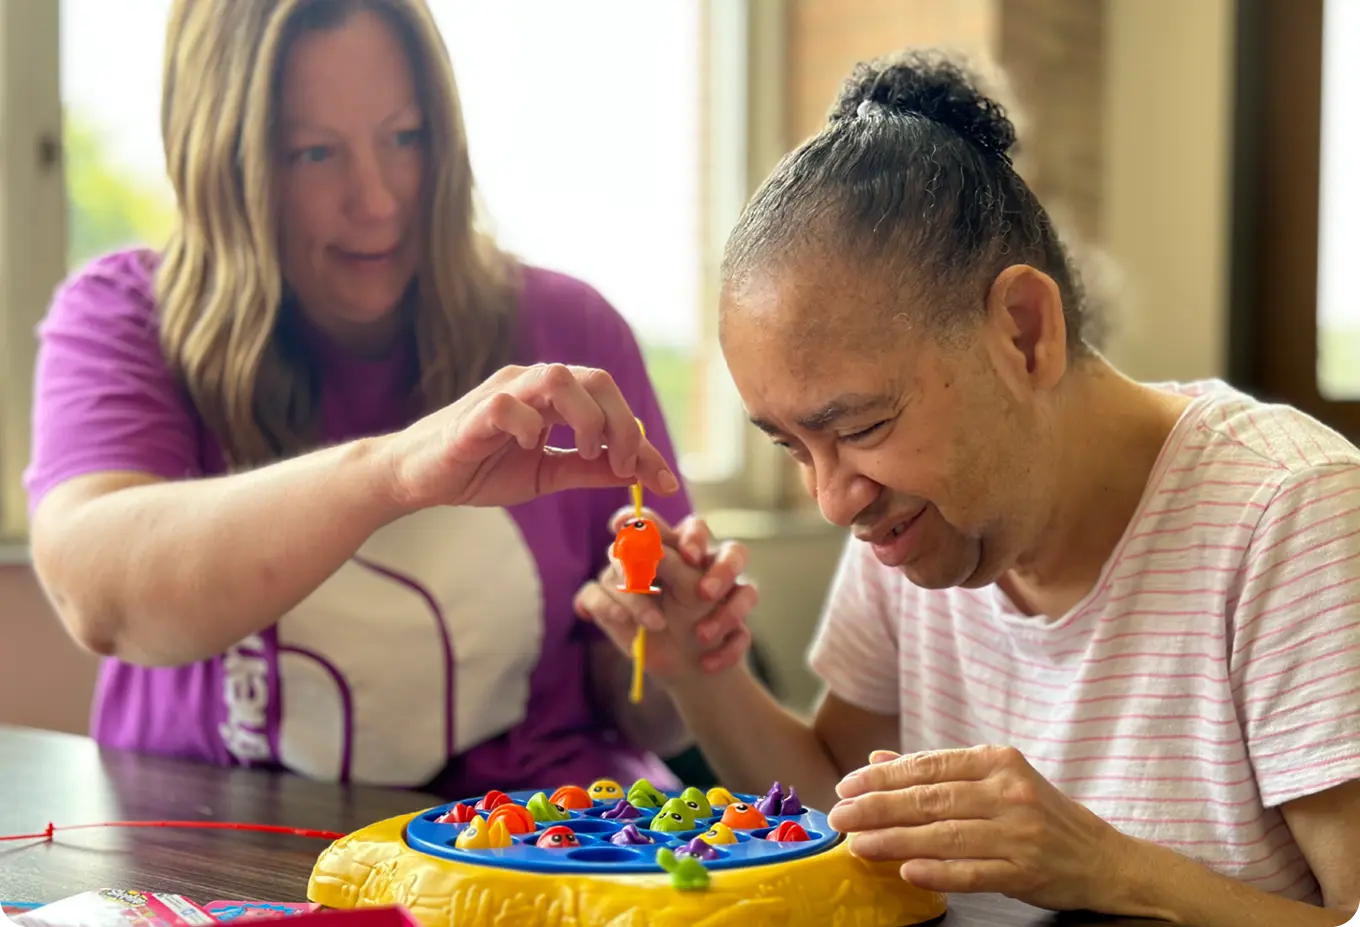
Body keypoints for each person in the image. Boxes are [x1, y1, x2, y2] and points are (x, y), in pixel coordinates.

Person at [576, 50, 1360, 926]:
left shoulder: (1290, 516)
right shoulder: (916, 526)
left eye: (862, 427)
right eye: (794, 445)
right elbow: (840, 801)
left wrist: (1106, 868)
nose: (837, 499)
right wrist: (698, 671)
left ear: (1024, 333)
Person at [23, 0, 754, 798]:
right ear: (221, 168)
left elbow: (645, 712)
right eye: (312, 154)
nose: (375, 200)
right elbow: (97, 594)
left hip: (536, 851)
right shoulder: (125, 317)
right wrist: (396, 473)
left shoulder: (570, 329)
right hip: (213, 856)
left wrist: (683, 657)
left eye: (405, 138)